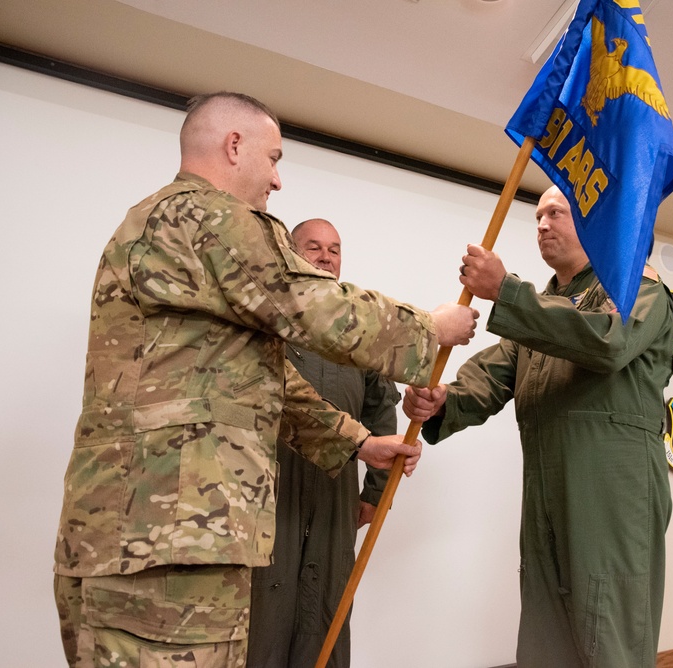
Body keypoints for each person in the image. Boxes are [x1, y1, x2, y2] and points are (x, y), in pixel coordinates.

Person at [52, 91, 478, 667]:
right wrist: (430, 328)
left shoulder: (153, 225)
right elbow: (309, 302)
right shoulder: (206, 215)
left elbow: (263, 378)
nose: (277, 180)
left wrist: (356, 441)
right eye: (274, 157)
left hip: (135, 532)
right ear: (234, 146)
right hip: (171, 542)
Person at [403, 186, 673, 668]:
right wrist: (444, 400)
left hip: (612, 493)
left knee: (608, 631)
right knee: (547, 637)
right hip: (546, 490)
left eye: (557, 213)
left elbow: (606, 341)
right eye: (538, 216)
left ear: (596, 225)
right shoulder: (541, 310)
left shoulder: (637, 286)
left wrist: (505, 290)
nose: (543, 225)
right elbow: (492, 374)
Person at [247, 218, 399, 668]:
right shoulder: (267, 320)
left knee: (328, 613)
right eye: (313, 247)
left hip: (336, 495)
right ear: (291, 255)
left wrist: (374, 495)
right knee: (265, 617)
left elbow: (383, 415)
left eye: (334, 248)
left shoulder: (358, 330)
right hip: (271, 492)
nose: (326, 256)